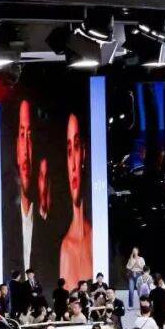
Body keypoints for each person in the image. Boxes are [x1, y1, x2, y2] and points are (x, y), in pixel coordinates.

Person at [59, 113, 94, 288]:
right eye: (68, 151)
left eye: (77, 146)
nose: (73, 164)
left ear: (84, 152)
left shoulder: (95, 234)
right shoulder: (67, 248)